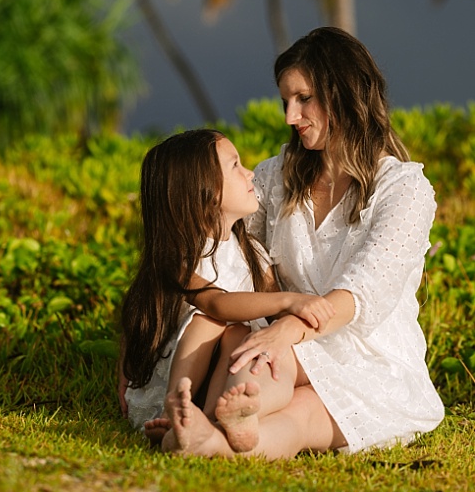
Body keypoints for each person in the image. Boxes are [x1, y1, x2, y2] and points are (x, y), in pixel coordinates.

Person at [161, 27, 445, 459]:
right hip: (284, 339)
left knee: (304, 413)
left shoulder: (404, 189)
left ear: (346, 94)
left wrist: (288, 328)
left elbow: (364, 292)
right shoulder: (275, 178)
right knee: (257, 362)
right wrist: (145, 341)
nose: (291, 117)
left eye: (304, 98)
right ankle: (218, 432)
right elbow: (224, 250)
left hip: (366, 352)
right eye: (285, 102)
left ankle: (217, 440)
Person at [118, 129, 336, 452]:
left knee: (242, 335)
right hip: (182, 380)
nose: (250, 173)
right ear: (204, 193)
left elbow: (272, 316)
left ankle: (208, 424)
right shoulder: (181, 260)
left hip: (222, 379)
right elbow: (217, 304)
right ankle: (176, 410)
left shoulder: (252, 253)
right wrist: (292, 300)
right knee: (211, 320)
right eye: (235, 166)